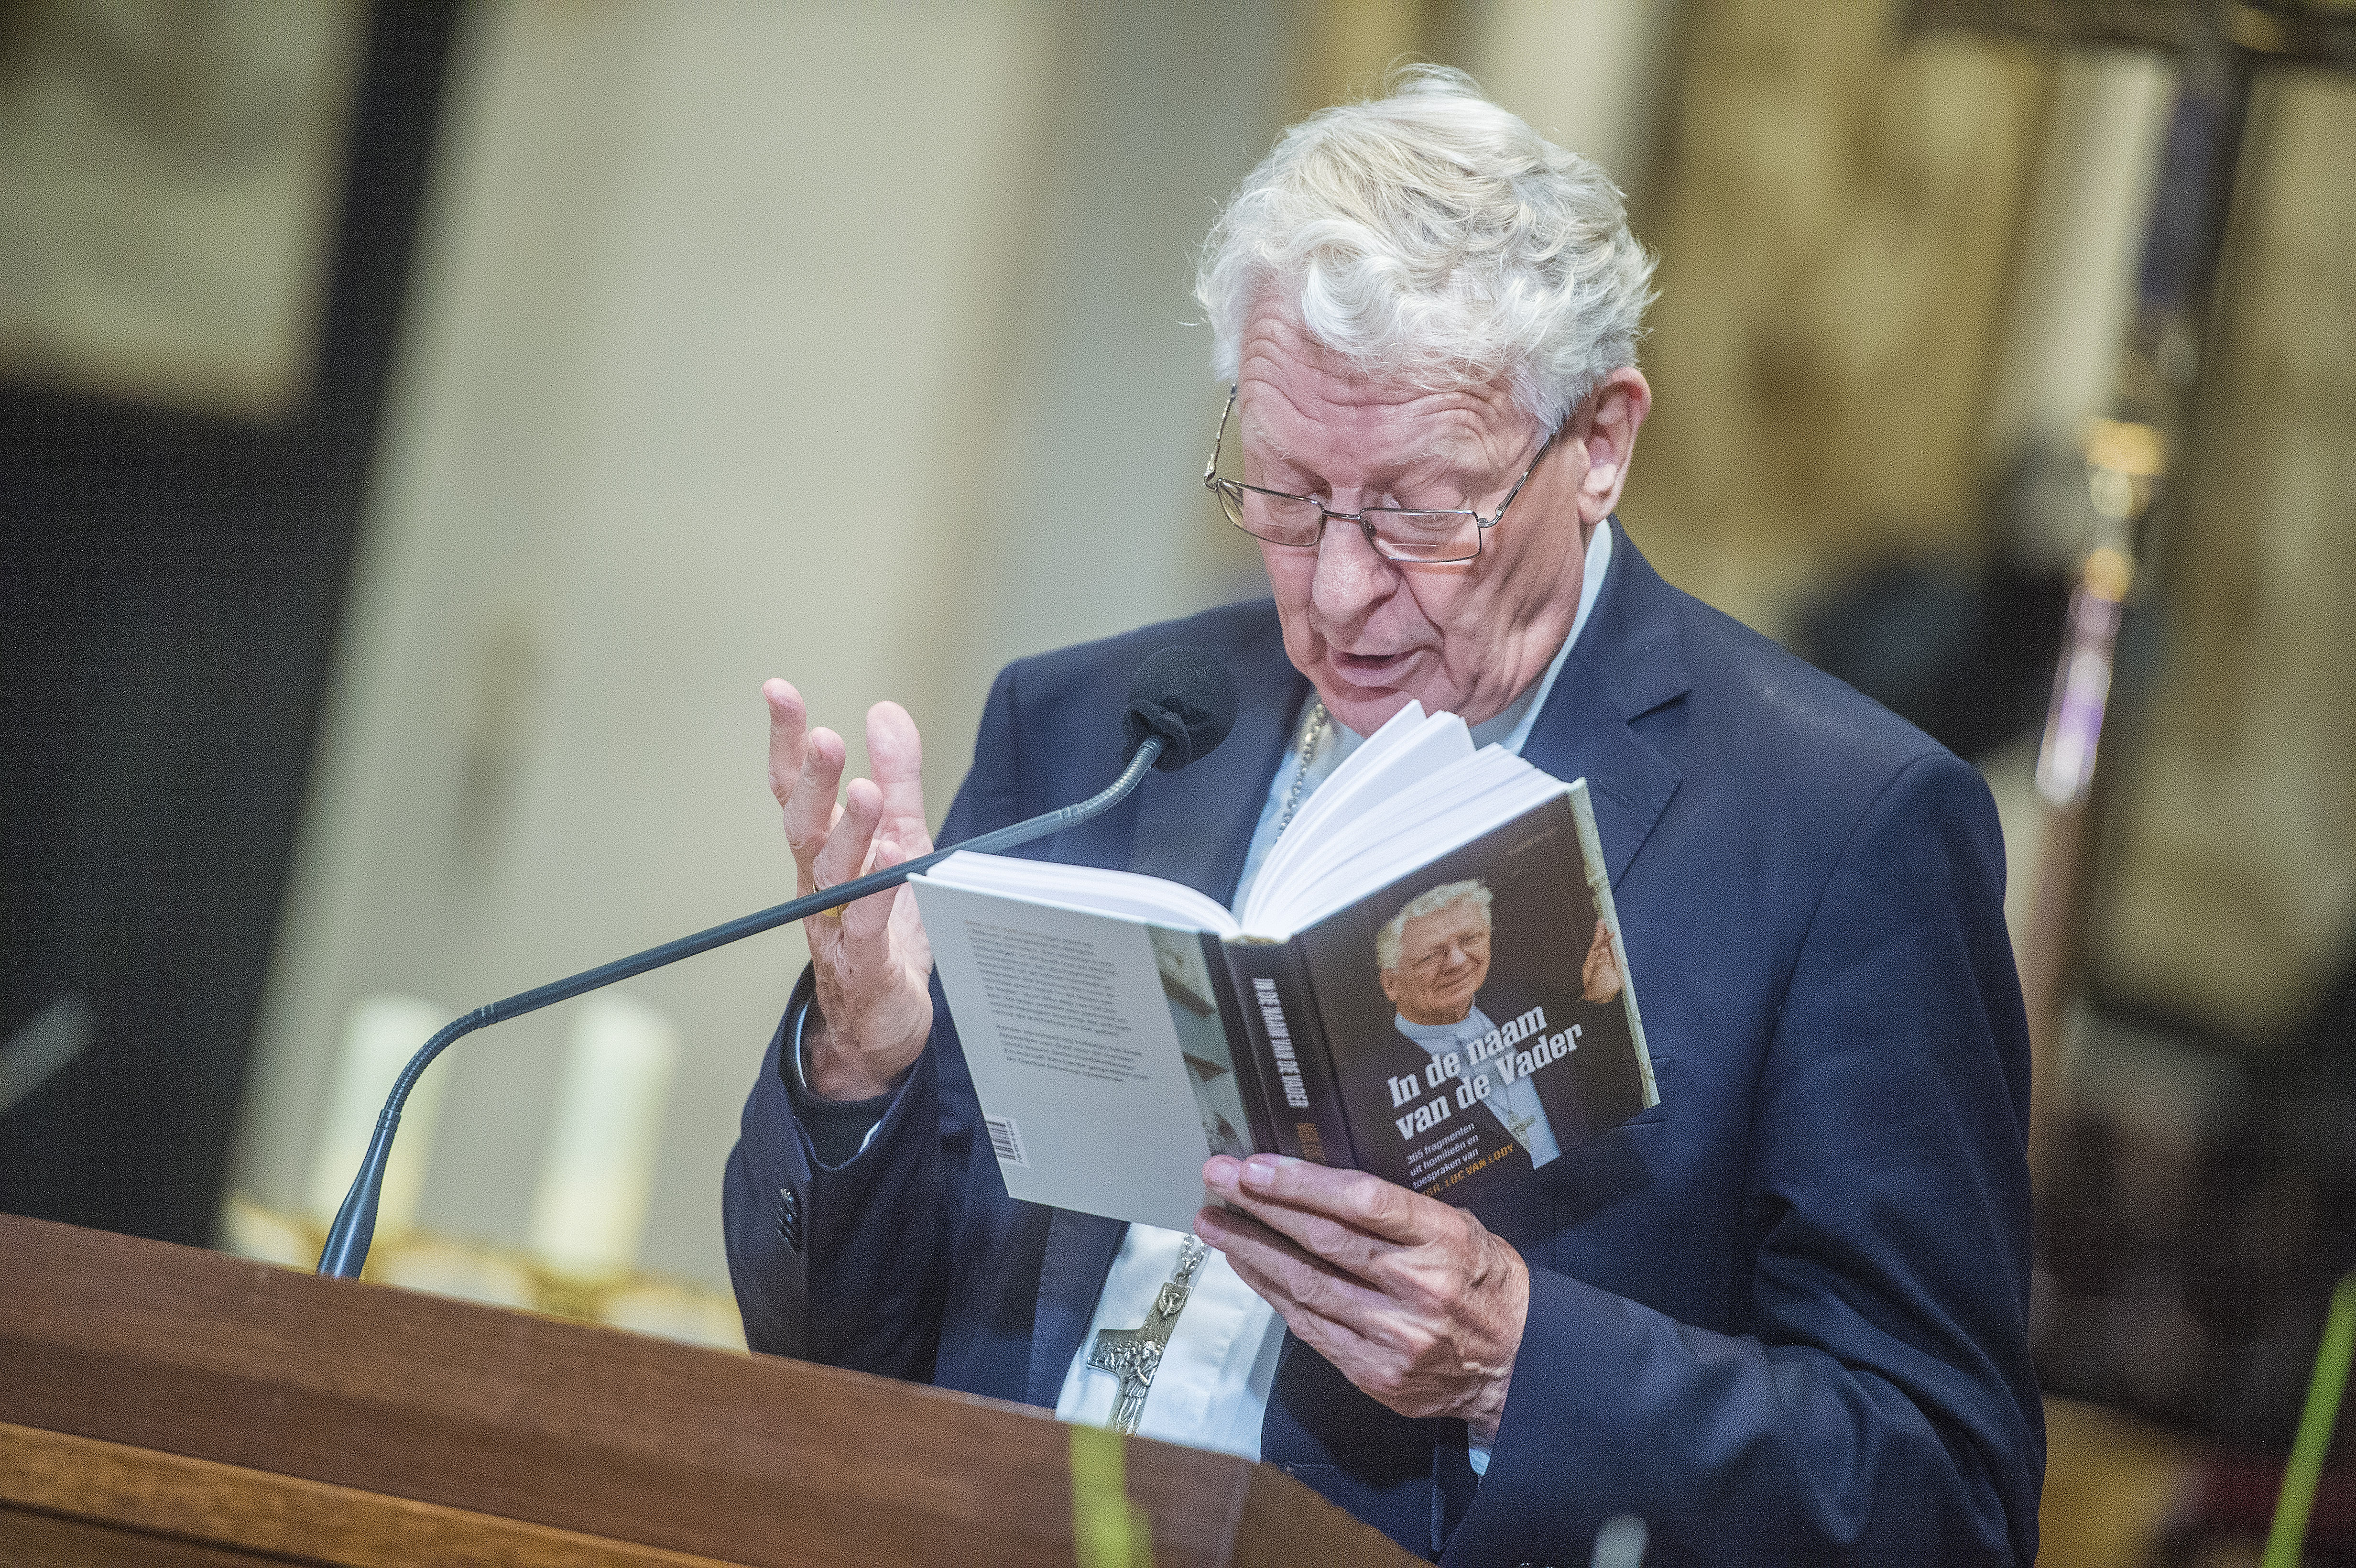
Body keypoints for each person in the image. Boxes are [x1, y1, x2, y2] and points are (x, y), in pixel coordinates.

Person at [725, 68, 2041, 1566]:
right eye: (1286, 494)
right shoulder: (1092, 732)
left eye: (1421, 509)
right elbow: (831, 1350)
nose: (1339, 593)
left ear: (1601, 443)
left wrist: (1514, 1358)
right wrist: (866, 1063)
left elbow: (1945, 1497)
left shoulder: (1838, 835)